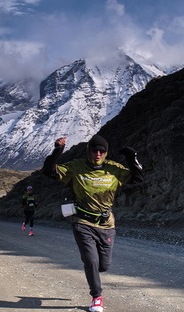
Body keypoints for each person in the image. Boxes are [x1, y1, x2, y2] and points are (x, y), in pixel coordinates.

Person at [42, 134, 143, 312]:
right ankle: (96, 297)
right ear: (89, 151)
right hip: (82, 222)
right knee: (91, 261)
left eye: (101, 151)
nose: (98, 154)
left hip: (106, 225)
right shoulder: (76, 167)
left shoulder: (114, 168)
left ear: (106, 153)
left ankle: (94, 271)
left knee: (104, 265)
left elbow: (137, 178)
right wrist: (57, 151)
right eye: (95, 150)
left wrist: (131, 158)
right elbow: (49, 171)